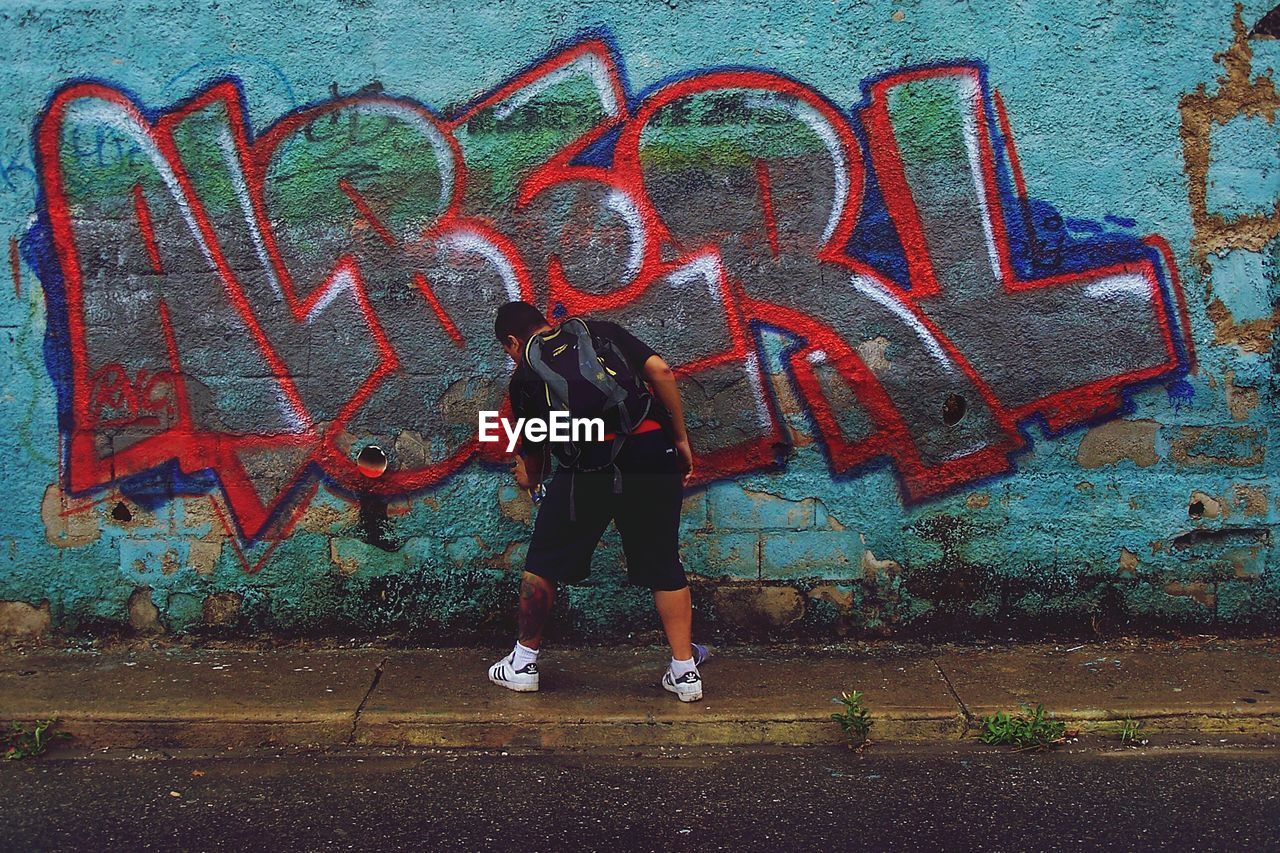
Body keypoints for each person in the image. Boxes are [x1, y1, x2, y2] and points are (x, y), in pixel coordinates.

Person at [486, 301, 707, 702]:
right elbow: (661, 371)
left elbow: (534, 451)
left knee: (544, 562)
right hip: (650, 453)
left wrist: (529, 477)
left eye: (508, 349)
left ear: (513, 342)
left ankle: (522, 664)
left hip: (586, 468)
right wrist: (678, 439)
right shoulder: (602, 332)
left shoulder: (524, 377)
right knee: (663, 562)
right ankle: (685, 672)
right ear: (545, 322)